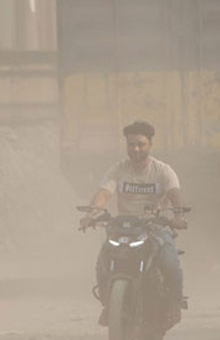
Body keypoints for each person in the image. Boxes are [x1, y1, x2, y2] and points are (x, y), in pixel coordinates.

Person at [80, 120, 187, 325]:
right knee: (102, 263)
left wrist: (178, 216)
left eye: (140, 144)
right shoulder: (118, 169)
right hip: (124, 227)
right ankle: (109, 306)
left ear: (150, 145)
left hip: (155, 228)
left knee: (170, 263)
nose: (136, 149)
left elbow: (175, 194)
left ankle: (173, 304)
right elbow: (104, 193)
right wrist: (91, 214)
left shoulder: (163, 170)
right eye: (131, 145)